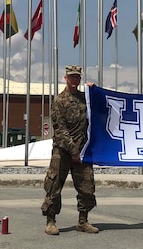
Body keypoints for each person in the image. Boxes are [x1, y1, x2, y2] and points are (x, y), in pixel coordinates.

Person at [41, 65, 99, 235]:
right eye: (71, 77)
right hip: (63, 151)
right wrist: (73, 151)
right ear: (65, 78)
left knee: (87, 186)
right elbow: (60, 129)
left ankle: (83, 221)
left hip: (82, 151)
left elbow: (101, 107)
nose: (74, 80)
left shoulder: (84, 99)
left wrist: (93, 90)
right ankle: (50, 221)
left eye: (77, 77)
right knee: (54, 186)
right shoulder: (60, 101)